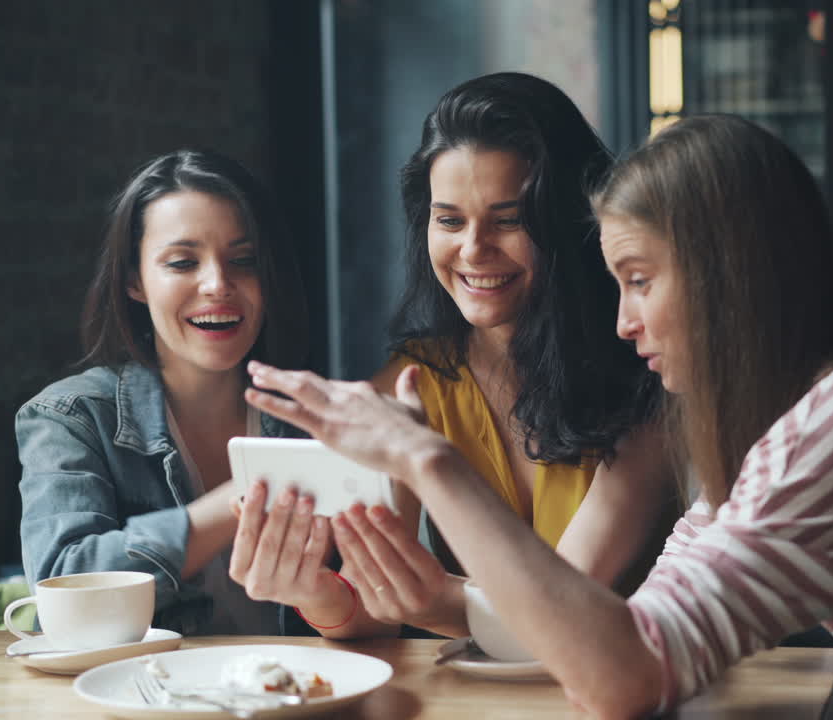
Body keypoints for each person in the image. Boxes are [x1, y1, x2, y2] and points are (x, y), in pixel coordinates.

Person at [241, 115, 833, 719]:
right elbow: (617, 629)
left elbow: (625, 677)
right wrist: (422, 594)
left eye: (639, 281)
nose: (623, 322)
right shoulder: (781, 420)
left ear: (729, 278)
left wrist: (432, 466)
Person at [227, 72, 677, 639]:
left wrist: (422, 596)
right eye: (450, 220)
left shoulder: (646, 375)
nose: (472, 249)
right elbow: (372, 615)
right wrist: (313, 591)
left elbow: (565, 608)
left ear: (567, 221)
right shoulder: (414, 381)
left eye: (509, 220)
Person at [17, 149, 314, 636]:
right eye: (182, 262)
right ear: (134, 279)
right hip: (147, 683)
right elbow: (64, 583)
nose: (217, 284)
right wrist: (240, 499)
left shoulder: (313, 419)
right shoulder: (72, 416)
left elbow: (372, 608)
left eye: (243, 261)